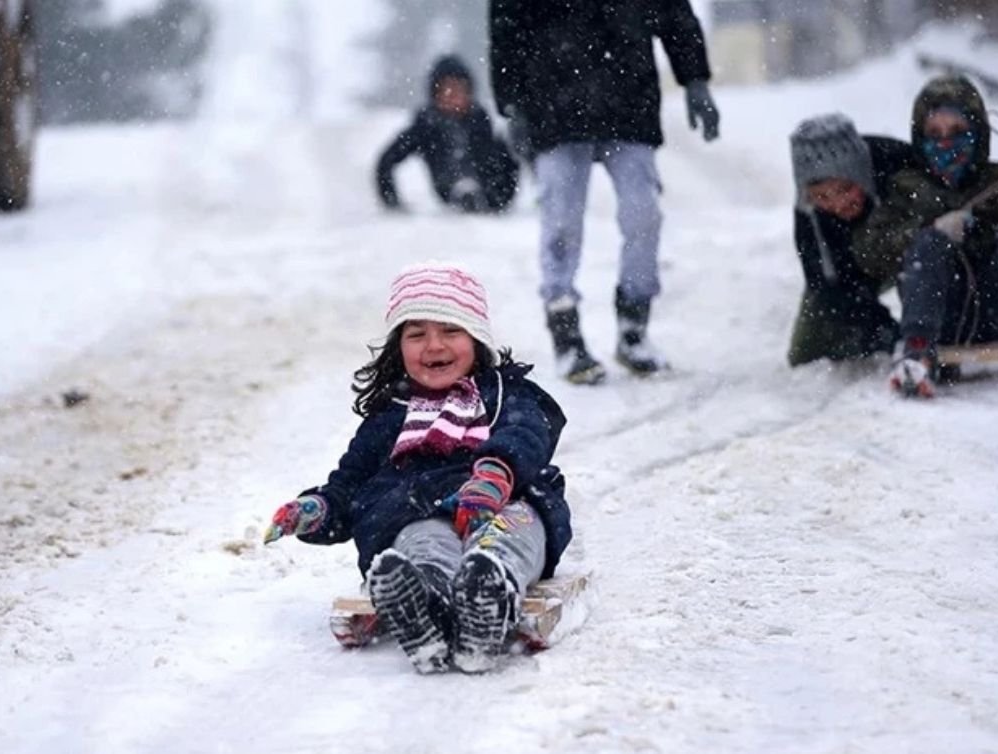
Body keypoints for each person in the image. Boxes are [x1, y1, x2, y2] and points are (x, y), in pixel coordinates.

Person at [262, 264, 572, 674]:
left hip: (501, 502)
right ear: (398, 347)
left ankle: (488, 594)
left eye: (450, 331)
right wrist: (316, 509)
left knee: (508, 535)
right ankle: (424, 604)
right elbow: (350, 485)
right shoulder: (389, 416)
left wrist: (496, 472)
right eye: (416, 334)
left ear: (477, 339)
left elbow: (526, 432)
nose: (433, 345)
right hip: (418, 510)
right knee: (422, 542)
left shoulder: (504, 394)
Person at [488, 0, 721, 384]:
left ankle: (634, 327)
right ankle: (566, 333)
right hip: (554, 107)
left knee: (644, 216)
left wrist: (695, 79)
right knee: (561, 223)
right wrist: (512, 105)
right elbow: (507, 26)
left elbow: (674, 13)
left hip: (629, 100)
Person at [853, 75, 998, 398]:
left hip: (996, 308)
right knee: (928, 244)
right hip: (939, 317)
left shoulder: (996, 182)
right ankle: (916, 355)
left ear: (978, 135)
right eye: (935, 134)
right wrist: (929, 231)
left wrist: (987, 229)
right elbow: (869, 251)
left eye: (958, 133)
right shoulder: (908, 188)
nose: (946, 143)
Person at [786, 114, 916, 367]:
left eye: (845, 189)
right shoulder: (809, 215)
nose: (838, 204)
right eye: (821, 197)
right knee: (805, 354)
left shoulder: (899, 165)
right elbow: (827, 285)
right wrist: (886, 334)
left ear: (861, 176)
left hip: (908, 251)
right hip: (855, 267)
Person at [374, 56, 520, 214]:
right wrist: (392, 202)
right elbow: (387, 161)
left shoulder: (481, 121)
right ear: (435, 94)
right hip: (448, 190)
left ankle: (473, 192)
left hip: (490, 196)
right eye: (446, 90)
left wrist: (501, 199)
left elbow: (509, 163)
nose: (453, 96)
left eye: (459, 89)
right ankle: (463, 191)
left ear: (469, 91)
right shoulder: (426, 126)